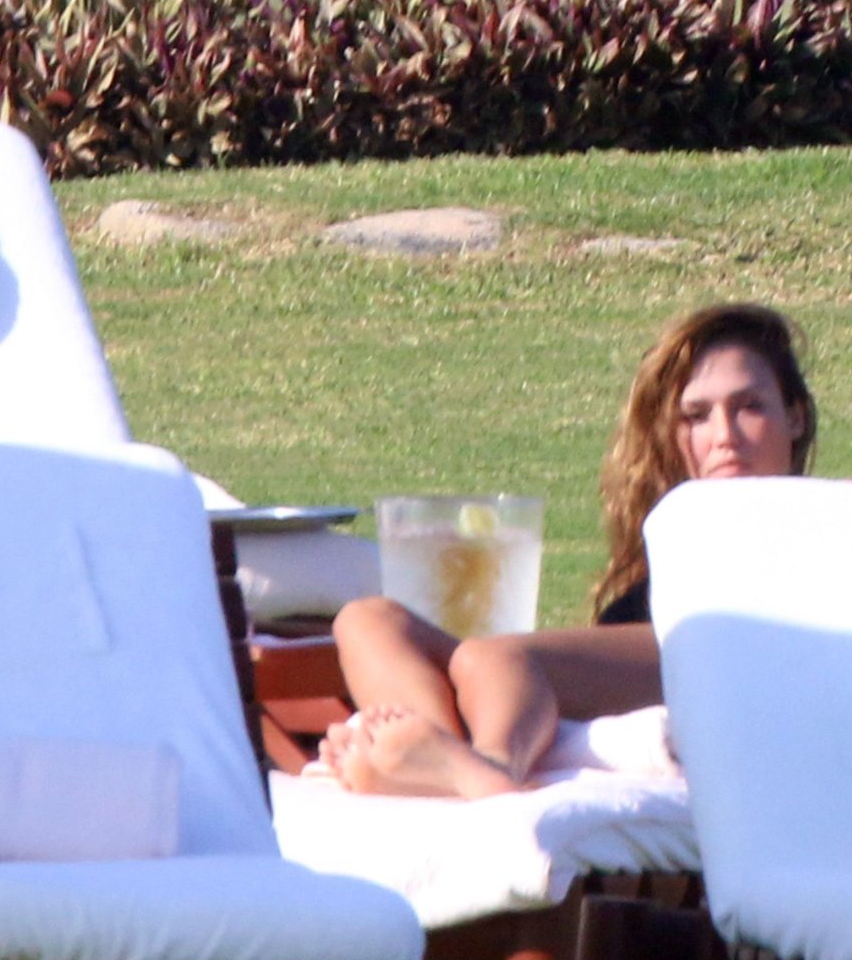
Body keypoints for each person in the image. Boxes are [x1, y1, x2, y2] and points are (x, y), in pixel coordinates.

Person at [320, 302, 817, 797]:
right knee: (366, 621)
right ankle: (437, 758)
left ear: (795, 417)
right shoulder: (667, 548)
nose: (725, 436)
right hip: (661, 654)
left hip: (735, 655)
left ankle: (494, 766)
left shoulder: (829, 522)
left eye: (750, 407)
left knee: (494, 658)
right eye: (696, 416)